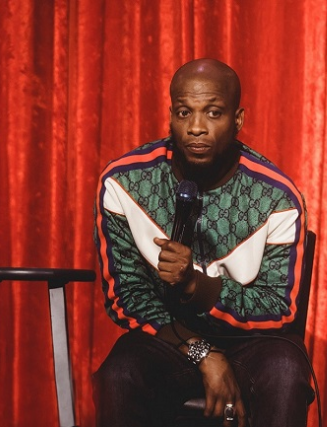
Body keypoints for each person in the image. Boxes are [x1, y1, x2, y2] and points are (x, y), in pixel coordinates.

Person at [93, 58, 313, 427]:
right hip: (167, 340)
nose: (196, 127)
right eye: (184, 112)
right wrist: (202, 353)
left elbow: (279, 307)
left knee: (286, 372)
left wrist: (198, 286)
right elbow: (127, 295)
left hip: (253, 343)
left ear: (237, 120)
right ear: (170, 117)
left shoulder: (276, 198)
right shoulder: (124, 184)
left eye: (213, 113)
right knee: (120, 374)